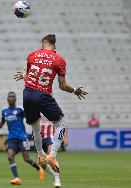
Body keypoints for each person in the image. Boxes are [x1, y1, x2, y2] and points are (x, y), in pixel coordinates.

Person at [14, 34, 87, 173]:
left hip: (27, 94)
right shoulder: (59, 60)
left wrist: (24, 75)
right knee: (61, 123)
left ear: (43, 44)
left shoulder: (32, 55)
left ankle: (41, 155)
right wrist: (75, 90)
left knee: (35, 126)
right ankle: (52, 156)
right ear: (54, 46)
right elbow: (62, 86)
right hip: (42, 94)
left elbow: (29, 73)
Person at [0, 92, 45, 185]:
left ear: (15, 99)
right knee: (10, 157)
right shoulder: (4, 111)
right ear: (7, 99)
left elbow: (29, 117)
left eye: (13, 97)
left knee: (26, 159)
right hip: (11, 139)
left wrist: (36, 128)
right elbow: (2, 122)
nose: (11, 98)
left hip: (22, 138)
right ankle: (17, 178)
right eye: (9, 97)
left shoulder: (20, 110)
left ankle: (39, 168)